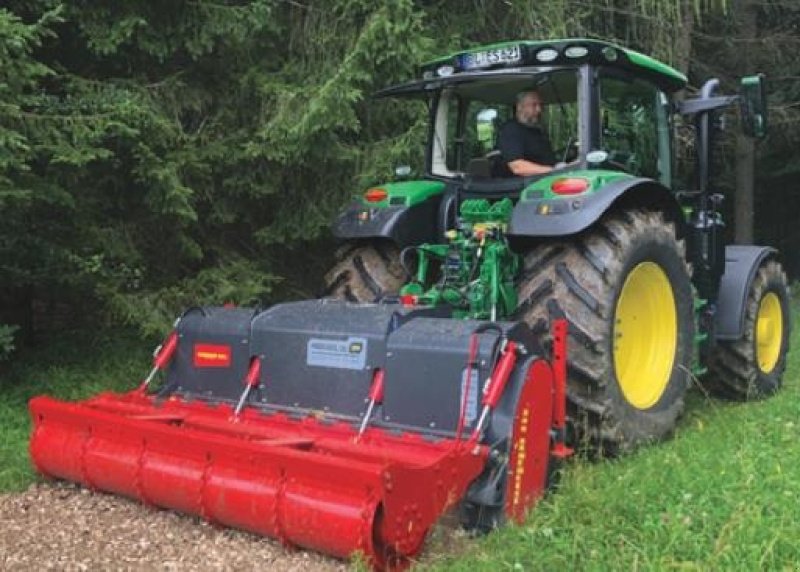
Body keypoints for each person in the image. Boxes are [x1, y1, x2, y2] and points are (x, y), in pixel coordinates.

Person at [496, 90, 556, 177]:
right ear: (520, 107)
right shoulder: (511, 130)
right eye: (534, 105)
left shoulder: (536, 131)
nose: (539, 110)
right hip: (519, 187)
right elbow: (517, 167)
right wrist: (554, 171)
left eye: (540, 105)